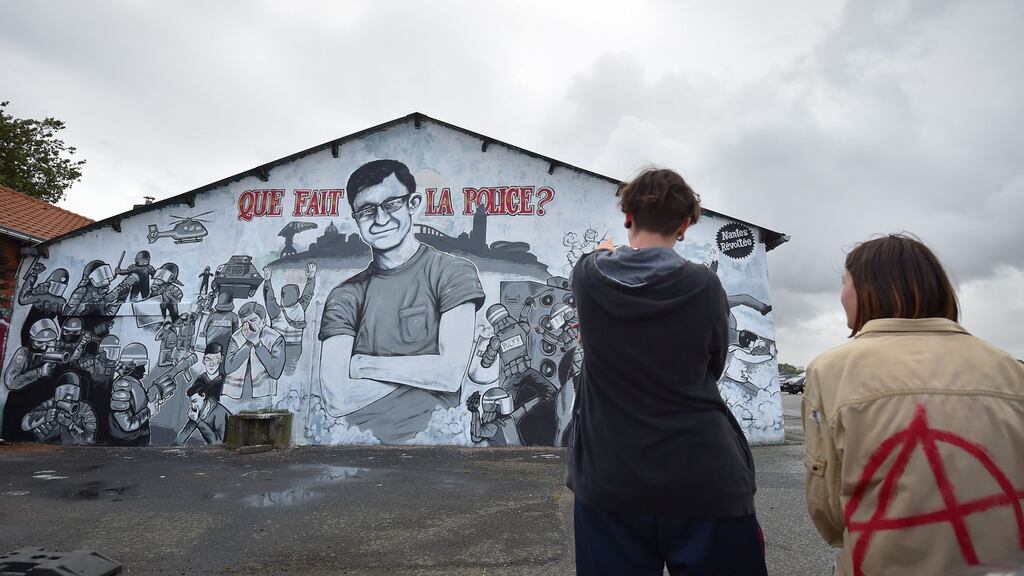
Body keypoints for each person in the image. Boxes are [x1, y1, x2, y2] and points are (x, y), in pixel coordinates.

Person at [567, 168, 767, 575]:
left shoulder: (588, 276)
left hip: (609, 478)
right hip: (704, 477)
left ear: (627, 216)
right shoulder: (704, 285)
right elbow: (713, 366)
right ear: (685, 225)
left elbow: (597, 256)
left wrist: (605, 249)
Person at [803, 234, 1024, 576]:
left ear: (867, 289)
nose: (841, 295)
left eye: (845, 282)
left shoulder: (832, 370)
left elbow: (828, 506)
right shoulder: (1010, 368)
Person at [318, 159, 485, 443]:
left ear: (413, 204)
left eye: (392, 204)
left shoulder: (452, 273)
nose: (380, 219)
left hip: (436, 443)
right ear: (356, 218)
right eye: (367, 210)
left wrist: (361, 365)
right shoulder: (344, 296)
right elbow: (336, 398)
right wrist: (423, 375)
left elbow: (449, 375)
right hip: (358, 445)